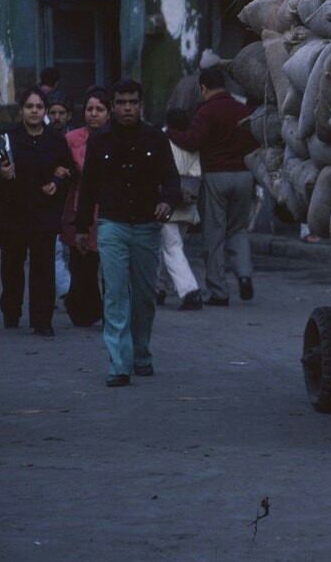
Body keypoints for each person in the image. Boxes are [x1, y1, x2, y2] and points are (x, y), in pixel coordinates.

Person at [74, 79, 181, 387]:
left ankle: (142, 353)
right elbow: (89, 186)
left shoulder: (155, 140)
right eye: (121, 103)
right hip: (112, 226)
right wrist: (82, 228)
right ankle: (120, 363)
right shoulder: (100, 141)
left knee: (145, 296)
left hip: (147, 226)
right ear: (112, 107)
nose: (127, 108)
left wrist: (166, 201)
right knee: (115, 294)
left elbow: (171, 179)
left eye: (132, 102)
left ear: (141, 105)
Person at [0, 86, 75, 335]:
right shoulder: (7, 136)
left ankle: (42, 320)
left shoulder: (54, 139)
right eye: (30, 107)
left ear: (45, 111)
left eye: (39, 107)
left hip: (44, 211)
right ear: (21, 110)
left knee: (43, 267)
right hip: (12, 212)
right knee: (12, 265)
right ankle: (11, 310)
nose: (34, 111)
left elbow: (67, 167)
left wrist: (57, 182)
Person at [166, 66, 257, 306]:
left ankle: (219, 291)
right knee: (238, 229)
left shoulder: (206, 111)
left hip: (216, 176)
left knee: (214, 234)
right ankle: (244, 276)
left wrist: (170, 133)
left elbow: (194, 140)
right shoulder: (242, 109)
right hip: (244, 176)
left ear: (203, 88)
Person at [59, 87, 111, 328]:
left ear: (109, 113)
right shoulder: (71, 140)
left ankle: (111, 311)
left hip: (109, 206)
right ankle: (84, 310)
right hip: (79, 205)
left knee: (110, 263)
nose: (93, 114)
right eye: (89, 109)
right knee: (81, 264)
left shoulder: (115, 138)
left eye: (99, 109)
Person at [157, 108, 203, 311]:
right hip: (187, 205)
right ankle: (158, 288)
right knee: (172, 247)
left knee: (171, 248)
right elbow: (196, 173)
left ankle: (189, 291)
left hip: (166, 203)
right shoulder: (191, 144)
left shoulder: (161, 140)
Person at [46, 94, 74, 300]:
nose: (57, 117)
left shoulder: (75, 139)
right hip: (52, 199)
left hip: (72, 198)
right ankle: (65, 291)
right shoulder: (44, 137)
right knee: (54, 249)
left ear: (69, 115)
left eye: (61, 113)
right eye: (53, 113)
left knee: (69, 249)